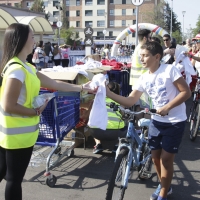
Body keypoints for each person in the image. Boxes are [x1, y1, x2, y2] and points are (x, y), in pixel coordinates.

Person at [0, 23, 96, 200]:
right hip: (17, 137)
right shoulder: (17, 70)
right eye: (31, 37)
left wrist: (83, 87)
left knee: (5, 173)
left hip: (14, 135)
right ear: (21, 41)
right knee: (14, 180)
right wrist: (36, 112)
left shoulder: (26, 67)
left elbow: (55, 84)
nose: (34, 41)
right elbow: (8, 105)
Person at [106, 41, 191, 200]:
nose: (142, 59)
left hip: (174, 122)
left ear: (157, 57)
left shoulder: (169, 70)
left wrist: (167, 107)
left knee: (166, 159)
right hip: (156, 121)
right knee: (155, 157)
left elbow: (186, 92)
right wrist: (108, 93)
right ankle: (165, 185)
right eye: (141, 56)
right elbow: (131, 100)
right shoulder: (144, 77)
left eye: (145, 56)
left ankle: (163, 194)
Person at [89, 82, 126, 154]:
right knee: (125, 124)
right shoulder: (120, 101)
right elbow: (122, 114)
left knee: (93, 122)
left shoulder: (96, 100)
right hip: (114, 132)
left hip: (96, 132)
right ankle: (117, 145)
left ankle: (98, 144)